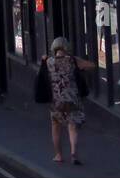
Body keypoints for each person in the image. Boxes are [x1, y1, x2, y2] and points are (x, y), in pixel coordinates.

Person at [37, 37, 87, 166]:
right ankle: (74, 154)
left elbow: (42, 74)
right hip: (72, 99)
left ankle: (58, 155)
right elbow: (91, 65)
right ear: (67, 47)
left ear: (54, 48)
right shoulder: (72, 60)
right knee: (73, 126)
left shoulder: (48, 61)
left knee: (55, 126)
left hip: (56, 101)